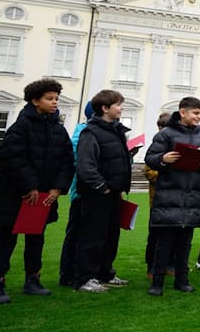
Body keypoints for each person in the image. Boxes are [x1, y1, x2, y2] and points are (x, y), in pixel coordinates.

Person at [0, 78, 75, 305]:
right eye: (49, 98)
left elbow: (67, 160)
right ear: (35, 101)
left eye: (56, 98)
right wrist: (30, 186)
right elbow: (12, 158)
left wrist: (57, 188)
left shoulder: (58, 129)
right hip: (17, 196)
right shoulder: (21, 126)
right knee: (7, 239)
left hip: (45, 196)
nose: (55, 102)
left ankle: (33, 280)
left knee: (36, 239)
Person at [144, 96, 200, 296]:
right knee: (164, 242)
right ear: (182, 112)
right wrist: (163, 158)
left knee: (185, 242)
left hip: (191, 196)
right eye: (195, 112)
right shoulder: (166, 134)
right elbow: (150, 157)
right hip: (168, 194)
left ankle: (182, 280)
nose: (199, 117)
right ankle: (157, 282)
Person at [73, 89, 133, 293]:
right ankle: (85, 278)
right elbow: (85, 165)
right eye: (118, 104)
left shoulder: (116, 131)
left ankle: (105, 273)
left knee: (110, 235)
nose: (121, 108)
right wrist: (102, 186)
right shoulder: (90, 132)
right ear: (105, 108)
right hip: (98, 194)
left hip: (114, 192)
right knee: (92, 236)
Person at [58, 102, 93, 287]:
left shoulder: (85, 132)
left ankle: (81, 272)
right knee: (76, 235)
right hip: (82, 193)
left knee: (84, 235)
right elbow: (80, 163)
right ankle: (69, 274)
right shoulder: (83, 134)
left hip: (88, 192)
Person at [145, 112, 172, 278]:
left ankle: (168, 264)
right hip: (157, 199)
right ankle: (151, 267)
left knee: (171, 235)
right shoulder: (156, 146)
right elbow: (149, 171)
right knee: (155, 236)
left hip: (173, 199)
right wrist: (166, 173)